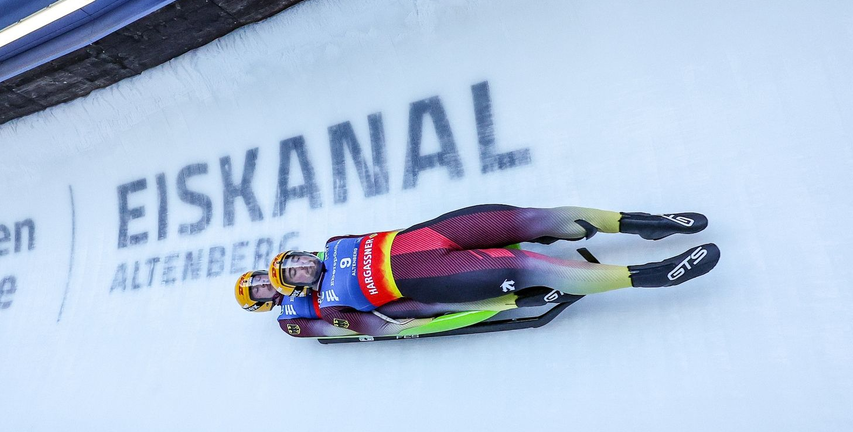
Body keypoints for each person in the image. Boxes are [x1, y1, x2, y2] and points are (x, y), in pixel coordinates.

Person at [266, 204, 718, 325]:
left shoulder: (334, 243)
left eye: (296, 261)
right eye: (294, 275)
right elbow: (396, 317)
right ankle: (651, 276)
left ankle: (644, 223)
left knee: (533, 218)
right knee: (531, 265)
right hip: (434, 278)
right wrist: (470, 308)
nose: (303, 268)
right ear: (297, 289)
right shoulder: (329, 305)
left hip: (434, 233)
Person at [235, 267, 579, 338]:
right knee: (425, 303)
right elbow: (330, 328)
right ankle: (514, 300)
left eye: (262, 281)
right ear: (262, 304)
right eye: (260, 291)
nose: (266, 286)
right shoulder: (289, 319)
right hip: (369, 312)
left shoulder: (295, 269)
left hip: (376, 284)